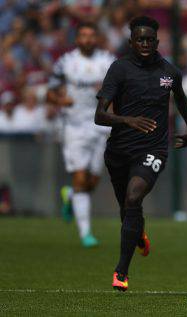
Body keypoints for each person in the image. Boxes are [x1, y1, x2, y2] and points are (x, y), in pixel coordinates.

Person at [94, 16, 187, 292]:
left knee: (133, 197)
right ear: (131, 42)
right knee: (127, 210)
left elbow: (182, 99)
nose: (145, 44)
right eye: (140, 39)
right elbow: (100, 116)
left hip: (153, 149)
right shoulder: (119, 70)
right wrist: (128, 120)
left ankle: (121, 272)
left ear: (157, 41)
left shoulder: (169, 72)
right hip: (118, 151)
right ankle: (137, 233)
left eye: (150, 39)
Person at [47, 23, 116, 248]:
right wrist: (60, 100)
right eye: (83, 35)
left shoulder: (107, 61)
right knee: (80, 178)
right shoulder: (66, 62)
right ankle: (86, 233)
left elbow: (120, 88)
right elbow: (50, 92)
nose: (87, 39)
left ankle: (70, 196)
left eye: (91, 35)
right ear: (77, 39)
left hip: (101, 125)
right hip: (75, 126)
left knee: (92, 181)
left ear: (96, 38)